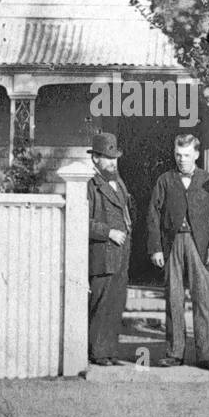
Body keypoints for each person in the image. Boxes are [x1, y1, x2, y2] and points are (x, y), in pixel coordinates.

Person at [147, 133, 209, 371]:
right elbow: (153, 215)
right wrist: (156, 248)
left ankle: (206, 355)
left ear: (197, 155)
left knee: (202, 300)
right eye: (178, 155)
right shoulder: (165, 180)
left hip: (199, 246)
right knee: (174, 299)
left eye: (187, 155)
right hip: (172, 245)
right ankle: (174, 353)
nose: (182, 160)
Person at [87, 132, 132, 366]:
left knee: (115, 304)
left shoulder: (118, 181)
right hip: (103, 254)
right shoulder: (91, 185)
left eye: (115, 158)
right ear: (95, 158)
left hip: (120, 255)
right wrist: (109, 233)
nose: (113, 162)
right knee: (101, 305)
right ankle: (97, 352)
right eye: (107, 158)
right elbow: (82, 221)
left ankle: (109, 351)